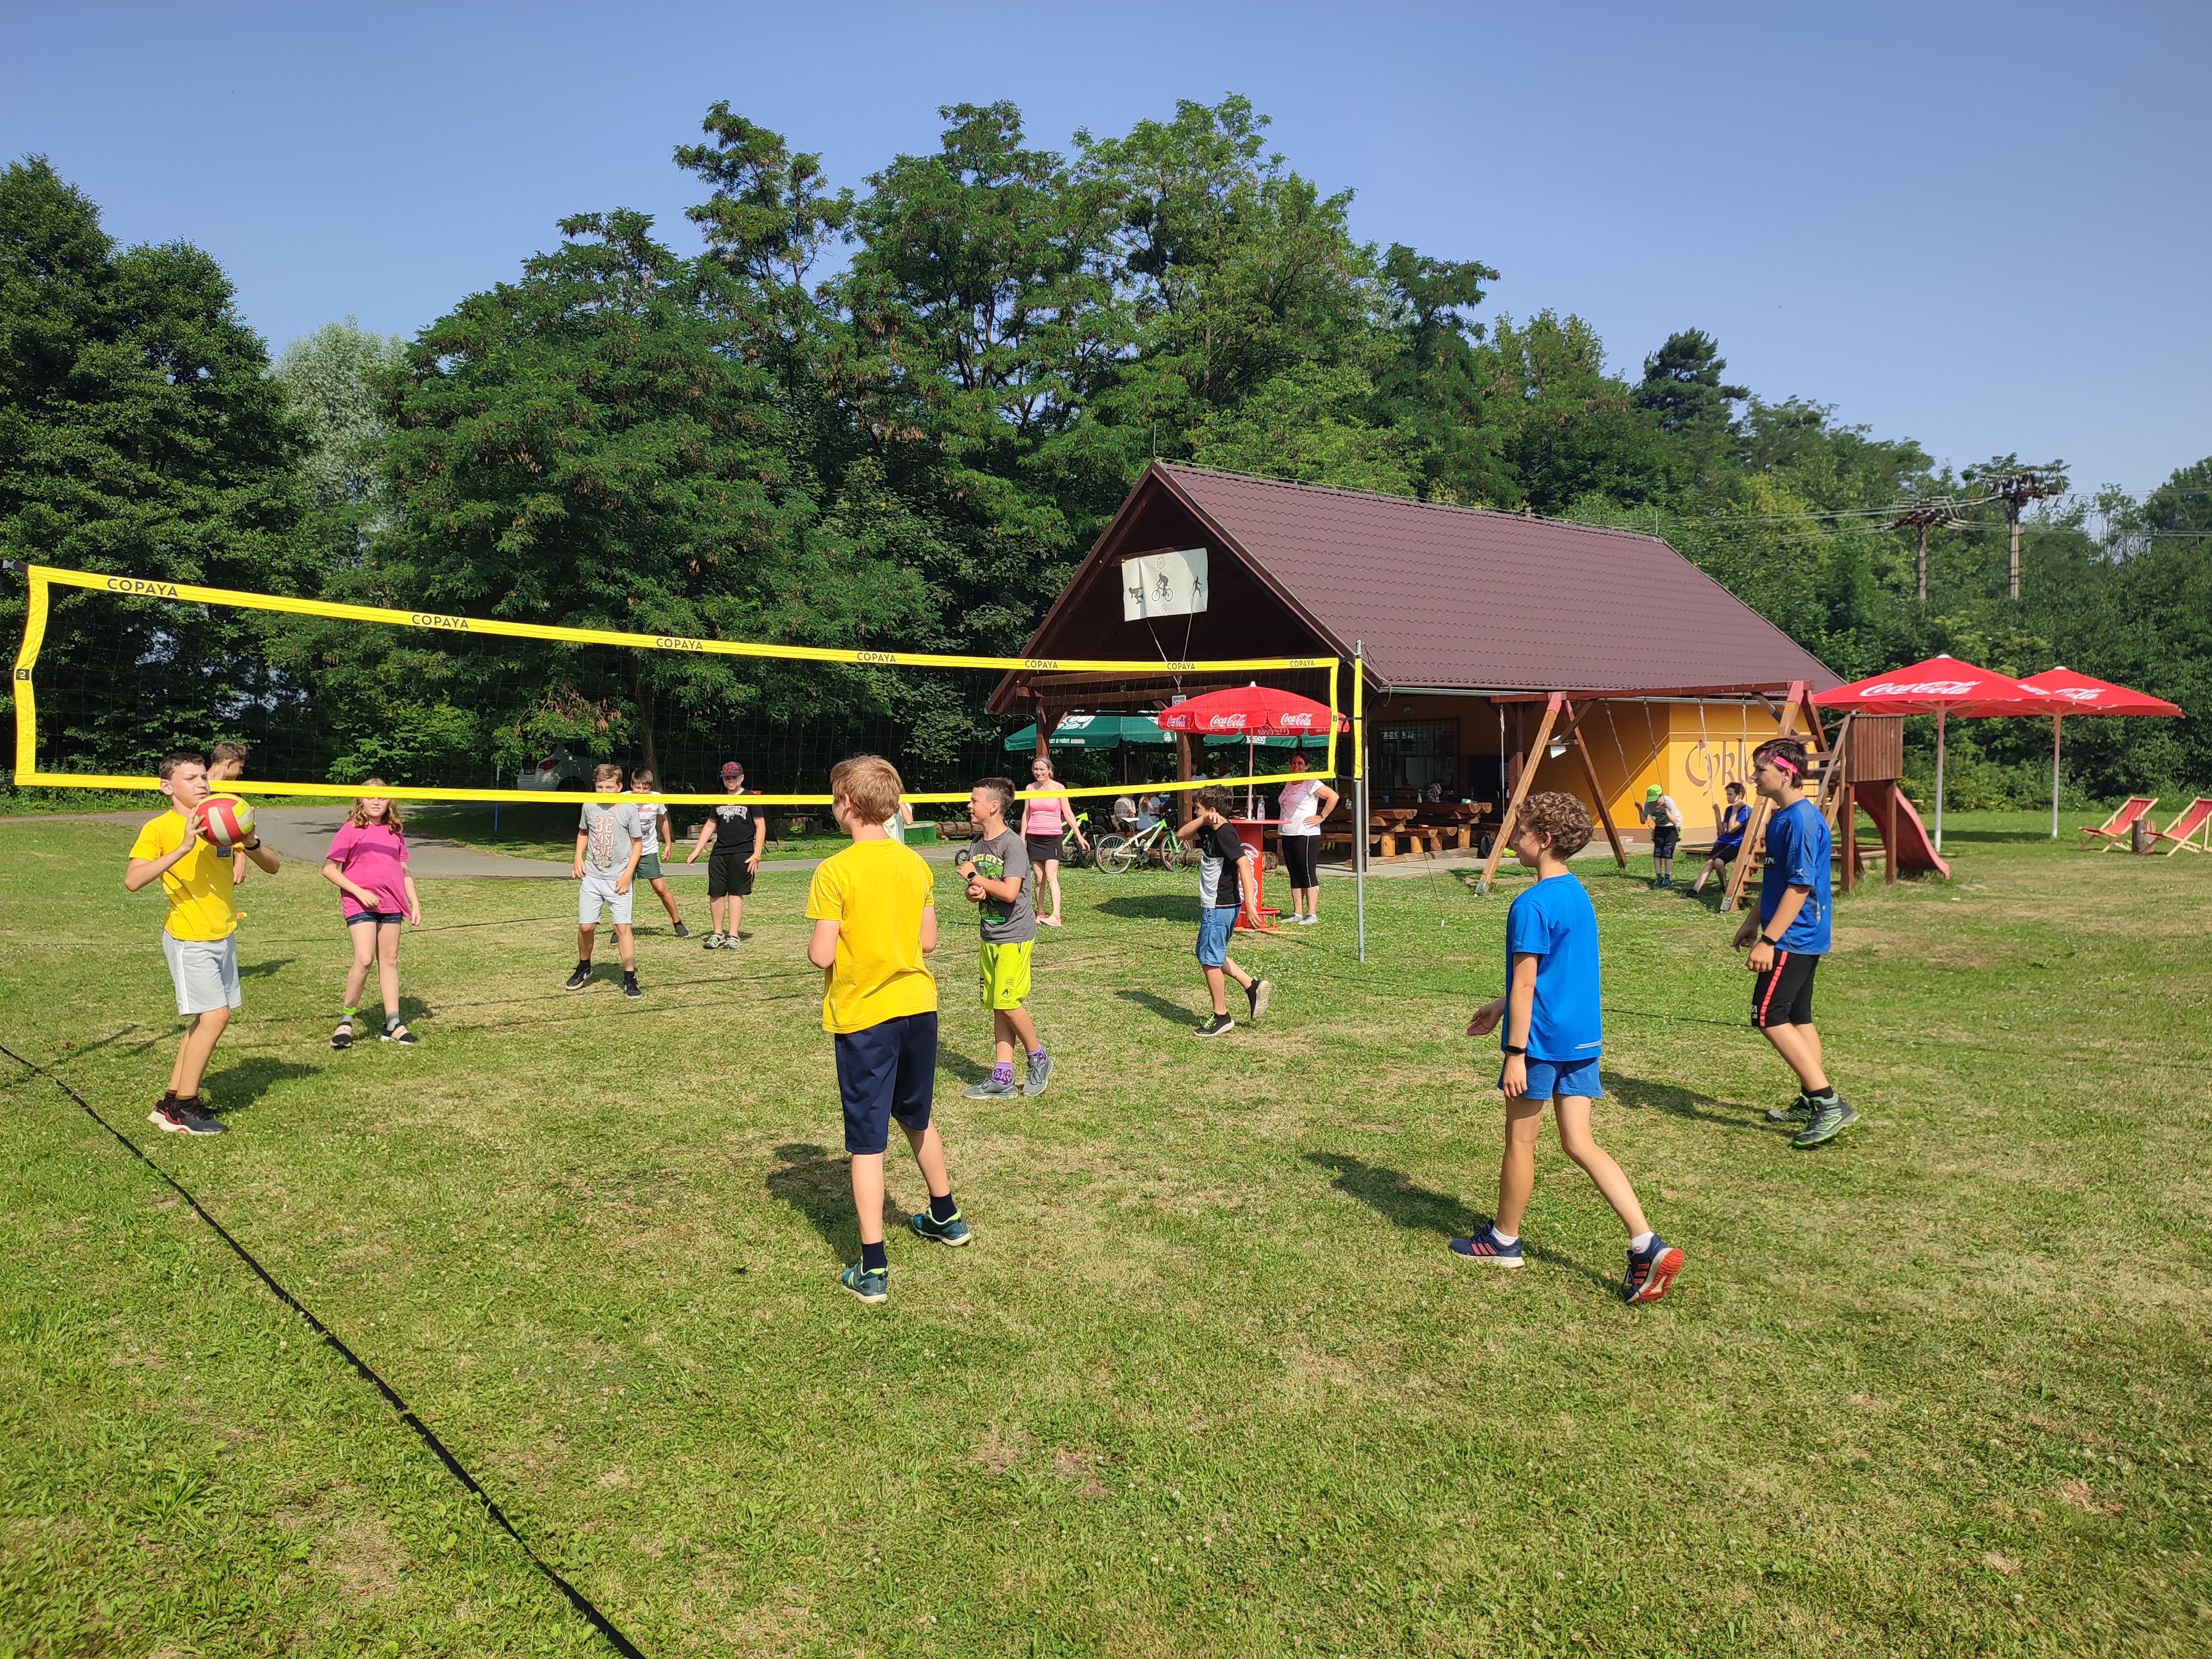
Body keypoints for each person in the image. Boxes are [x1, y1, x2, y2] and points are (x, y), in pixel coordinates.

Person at [1455, 792, 1685, 1301]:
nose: (1513, 838)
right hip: (1582, 1039)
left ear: (1547, 840)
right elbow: (1551, 975)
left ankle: (1503, 1240)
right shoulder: (1577, 893)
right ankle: (1646, 1242)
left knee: (1520, 1142)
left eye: (1522, 831)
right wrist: (1497, 1006)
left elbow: (1526, 983)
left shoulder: (1531, 903)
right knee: (1580, 1143)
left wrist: (1515, 1053)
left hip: (1539, 1043)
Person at [804, 754, 968, 1305]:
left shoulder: (835, 870)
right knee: (916, 1115)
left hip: (866, 1016)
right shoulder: (915, 864)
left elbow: (820, 952)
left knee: (867, 1141)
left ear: (846, 803)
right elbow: (927, 942)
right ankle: (946, 1215)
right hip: (918, 1008)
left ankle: (872, 1267)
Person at [124, 752, 282, 1134]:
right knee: (216, 1016)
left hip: (222, 933)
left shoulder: (222, 821)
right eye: (191, 777)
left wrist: (251, 841)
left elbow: (273, 866)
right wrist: (181, 847)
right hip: (188, 936)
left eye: (203, 777)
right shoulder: (160, 828)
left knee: (205, 1018)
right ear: (167, 787)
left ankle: (170, 1102)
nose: (201, 783)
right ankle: (185, 1108)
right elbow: (133, 880)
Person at [1733, 738, 1855, 1147]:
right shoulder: (1780, 817)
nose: (1754, 777)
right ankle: (1811, 1096)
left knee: (1768, 1016)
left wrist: (1768, 940)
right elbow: (1775, 880)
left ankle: (1828, 1102)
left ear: (1786, 773)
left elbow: (1800, 888)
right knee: (1799, 1016)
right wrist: (1753, 921)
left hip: (1794, 937)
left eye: (1761, 770)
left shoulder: (1802, 820)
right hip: (1790, 933)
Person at [952, 777, 1051, 1100]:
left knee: (1007, 1001)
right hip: (990, 933)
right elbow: (981, 891)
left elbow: (1009, 891)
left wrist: (973, 876)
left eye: (974, 800)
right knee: (998, 1005)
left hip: (1014, 935)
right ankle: (1003, 1076)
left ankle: (1039, 1058)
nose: (969, 805)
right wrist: (974, 891)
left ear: (993, 806)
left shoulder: (1012, 845)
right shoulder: (979, 845)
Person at [321, 781, 422, 1048]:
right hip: (360, 903)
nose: (376, 802)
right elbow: (330, 869)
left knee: (389, 961)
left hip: (392, 904)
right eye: (370, 797)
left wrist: (414, 902)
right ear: (360, 801)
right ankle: (346, 1020)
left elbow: (403, 869)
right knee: (365, 959)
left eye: (382, 798)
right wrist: (359, 891)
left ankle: (393, 1023)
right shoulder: (351, 830)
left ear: (390, 802)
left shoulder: (394, 831)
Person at [1176, 785, 1272, 1038]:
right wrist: (1203, 818)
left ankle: (1222, 1016)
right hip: (1214, 904)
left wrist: (1250, 906)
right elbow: (1181, 834)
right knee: (1208, 953)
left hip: (1220, 905)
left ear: (1212, 809)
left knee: (1209, 959)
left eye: (1198, 807)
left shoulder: (1226, 833)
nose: (1195, 812)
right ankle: (1252, 986)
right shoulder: (1209, 826)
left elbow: (1244, 865)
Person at [568, 763, 643, 997]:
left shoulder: (628, 809)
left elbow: (637, 844)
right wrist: (578, 858)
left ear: (620, 787)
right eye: (600, 787)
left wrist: (627, 874)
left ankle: (630, 976)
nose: (604, 791)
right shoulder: (589, 805)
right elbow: (584, 832)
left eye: (609, 787)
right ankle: (584, 966)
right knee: (586, 927)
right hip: (592, 877)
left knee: (622, 928)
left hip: (618, 879)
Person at [687, 760, 763, 949]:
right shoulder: (719, 799)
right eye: (727, 778)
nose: (731, 781)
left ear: (742, 778)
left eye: (734, 777)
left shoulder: (751, 798)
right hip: (719, 852)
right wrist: (697, 850)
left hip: (743, 852)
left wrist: (757, 855)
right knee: (716, 893)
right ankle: (718, 934)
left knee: (736, 894)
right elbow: (711, 824)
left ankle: (734, 935)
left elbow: (761, 826)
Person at [1274, 750, 1340, 925]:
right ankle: (1297, 913)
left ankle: (1312, 914)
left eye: (1300, 764)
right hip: (1288, 832)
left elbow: (1333, 797)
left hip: (1306, 833)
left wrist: (1322, 817)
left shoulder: (1311, 782)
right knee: (1294, 873)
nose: (1296, 766)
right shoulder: (1289, 782)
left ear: (1306, 767)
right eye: (1294, 763)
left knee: (1307, 873)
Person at [1021, 755, 1087, 927]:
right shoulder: (1030, 788)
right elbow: (1026, 814)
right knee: (1038, 878)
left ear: (1049, 770)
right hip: (1034, 836)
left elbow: (1068, 813)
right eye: (1036, 769)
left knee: (1051, 876)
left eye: (1042, 769)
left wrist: (1079, 836)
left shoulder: (1059, 788)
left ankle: (1056, 915)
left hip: (1053, 836)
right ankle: (1040, 912)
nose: (1039, 772)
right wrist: (1022, 839)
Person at [627, 767, 689, 937]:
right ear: (632, 784)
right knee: (624, 890)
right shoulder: (623, 798)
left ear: (650, 786)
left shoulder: (656, 799)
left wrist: (668, 844)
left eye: (645, 787)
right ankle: (621, 927)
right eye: (638, 787)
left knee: (661, 888)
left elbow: (663, 821)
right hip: (626, 852)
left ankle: (678, 923)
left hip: (649, 849)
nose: (641, 791)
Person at [207, 740, 253, 895]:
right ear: (229, 763)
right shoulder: (198, 788)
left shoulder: (232, 791)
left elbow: (242, 828)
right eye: (239, 767)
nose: (241, 773)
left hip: (225, 859)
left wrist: (241, 862)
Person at [1691, 781, 1753, 896]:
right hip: (1723, 841)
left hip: (1736, 843)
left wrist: (1735, 811)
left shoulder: (1746, 811)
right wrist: (1718, 813)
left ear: (1739, 795)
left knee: (1719, 862)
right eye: (1727, 795)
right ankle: (1695, 890)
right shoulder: (1729, 809)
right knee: (1710, 863)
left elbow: (1731, 829)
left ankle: (1724, 886)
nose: (1728, 797)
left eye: (1730, 795)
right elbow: (1722, 832)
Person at [1636, 784, 1684, 889]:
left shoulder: (1668, 801)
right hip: (1659, 828)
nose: (1655, 803)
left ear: (1661, 795)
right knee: (1657, 853)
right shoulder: (1648, 805)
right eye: (1652, 800)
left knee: (1668, 852)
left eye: (1656, 800)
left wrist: (1666, 810)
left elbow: (1675, 821)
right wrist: (1640, 810)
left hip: (1671, 828)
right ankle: (1659, 877)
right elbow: (1643, 821)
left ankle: (1667, 878)